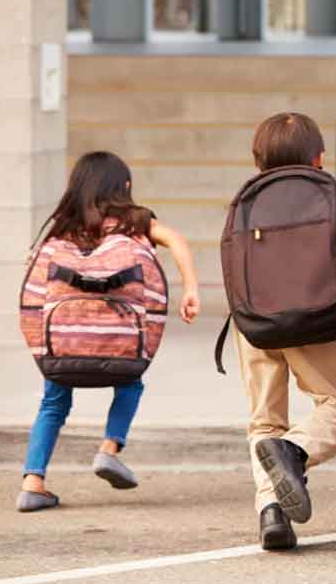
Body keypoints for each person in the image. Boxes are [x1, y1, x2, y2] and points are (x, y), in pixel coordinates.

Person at [231, 112, 336, 551]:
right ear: (319, 157)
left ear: (258, 157)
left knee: (264, 421)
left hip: (254, 323)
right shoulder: (327, 191)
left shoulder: (248, 197)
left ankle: (271, 512)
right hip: (313, 320)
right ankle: (294, 453)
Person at [17, 151, 201, 512]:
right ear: (124, 187)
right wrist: (190, 287)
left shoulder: (61, 226)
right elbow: (176, 240)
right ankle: (109, 448)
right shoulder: (134, 221)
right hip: (119, 342)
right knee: (130, 383)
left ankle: (32, 482)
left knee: (53, 402)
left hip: (65, 342)